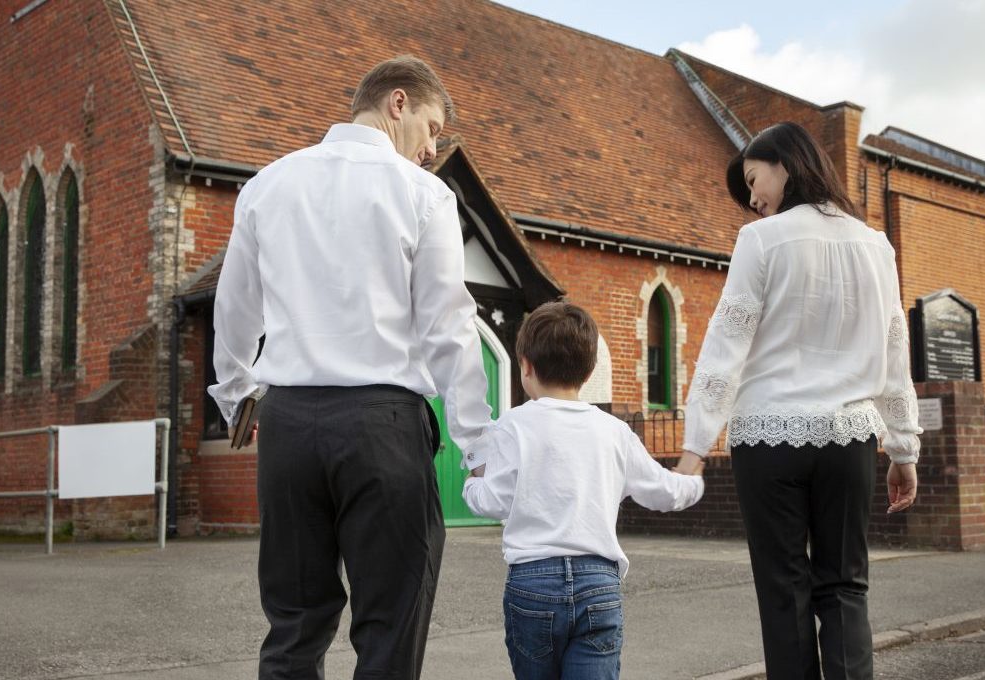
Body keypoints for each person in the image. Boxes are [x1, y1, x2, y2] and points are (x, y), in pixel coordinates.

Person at [208, 55, 494, 679]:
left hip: (287, 429)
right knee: (389, 627)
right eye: (432, 127)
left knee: (294, 625)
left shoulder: (268, 184)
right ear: (398, 104)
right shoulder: (423, 195)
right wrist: (476, 442)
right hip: (382, 426)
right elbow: (448, 325)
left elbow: (233, 309)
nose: (432, 148)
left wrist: (237, 395)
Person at [674, 122, 923, 680]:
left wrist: (695, 446)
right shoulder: (875, 245)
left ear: (785, 162)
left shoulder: (760, 241)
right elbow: (892, 350)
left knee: (783, 589)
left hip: (768, 439)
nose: (753, 199)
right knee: (846, 586)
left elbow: (725, 344)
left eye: (753, 179)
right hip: (849, 441)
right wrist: (903, 449)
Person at [463, 301, 705, 679]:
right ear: (589, 369)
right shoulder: (614, 432)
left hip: (532, 581)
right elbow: (664, 492)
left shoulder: (512, 426)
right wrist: (692, 479)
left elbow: (493, 502)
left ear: (525, 365)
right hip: (598, 582)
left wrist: (471, 486)